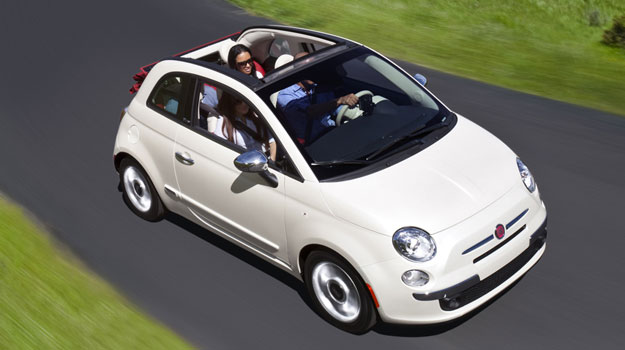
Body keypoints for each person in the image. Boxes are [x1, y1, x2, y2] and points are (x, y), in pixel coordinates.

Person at [276, 52, 358, 144]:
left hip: (333, 132)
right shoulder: (285, 95)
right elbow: (310, 111)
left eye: (314, 68)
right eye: (307, 69)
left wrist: (353, 108)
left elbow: (336, 109)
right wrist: (340, 100)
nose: (313, 73)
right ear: (297, 71)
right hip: (313, 143)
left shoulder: (319, 87)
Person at [212, 93, 277, 161]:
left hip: (265, 160)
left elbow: (271, 141)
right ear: (230, 103)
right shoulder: (223, 122)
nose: (244, 104)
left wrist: (272, 161)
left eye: (246, 100)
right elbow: (220, 150)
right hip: (245, 164)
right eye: (238, 101)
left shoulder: (255, 117)